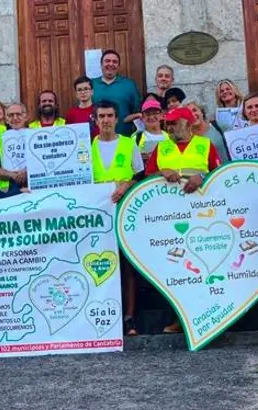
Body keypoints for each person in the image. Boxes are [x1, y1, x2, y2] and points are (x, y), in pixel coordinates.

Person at [145, 107, 221, 333]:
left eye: (173, 122)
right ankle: (181, 319)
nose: (168, 126)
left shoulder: (205, 145)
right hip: (170, 218)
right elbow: (146, 178)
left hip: (202, 217)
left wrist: (203, 176)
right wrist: (162, 172)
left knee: (202, 267)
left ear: (188, 124)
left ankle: (210, 316)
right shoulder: (161, 147)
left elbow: (220, 176)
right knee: (177, 269)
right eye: (166, 123)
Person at [92, 100, 145, 335]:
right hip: (97, 212)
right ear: (95, 119)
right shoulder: (86, 147)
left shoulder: (128, 143)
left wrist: (125, 186)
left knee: (126, 263)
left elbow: (139, 175)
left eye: (110, 116)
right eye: (101, 116)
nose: (105, 120)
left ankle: (129, 317)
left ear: (116, 118)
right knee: (100, 262)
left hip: (122, 207)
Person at [91, 49, 141, 136]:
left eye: (114, 62)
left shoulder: (129, 84)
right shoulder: (91, 84)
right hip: (97, 138)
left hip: (125, 137)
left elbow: (137, 109)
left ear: (118, 66)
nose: (111, 64)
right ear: (101, 64)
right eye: (107, 61)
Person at [0, 102, 29, 194]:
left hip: (33, 188)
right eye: (11, 115)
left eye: (18, 114)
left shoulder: (36, 137)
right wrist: (13, 175)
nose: (15, 118)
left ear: (26, 117)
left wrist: (27, 171)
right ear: (6, 120)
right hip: (8, 191)